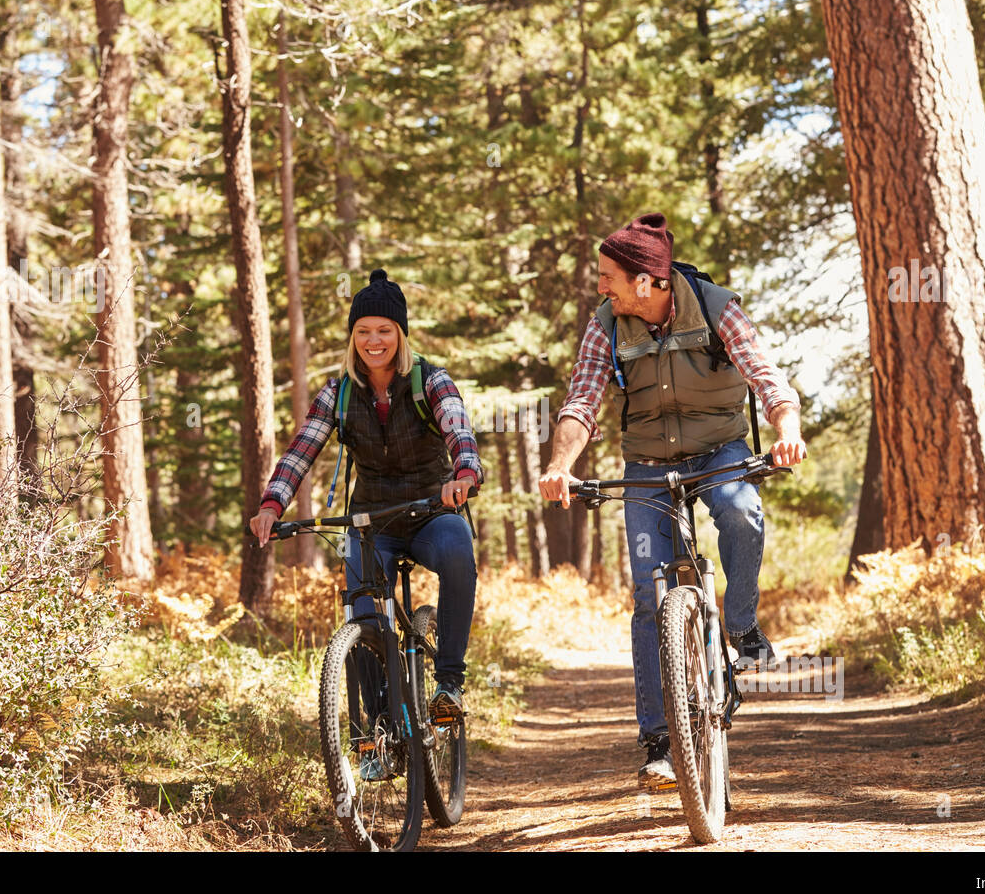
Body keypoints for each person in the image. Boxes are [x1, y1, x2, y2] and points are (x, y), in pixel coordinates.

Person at [538, 213, 807, 790]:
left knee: (740, 511)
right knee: (647, 593)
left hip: (720, 450)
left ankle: (741, 626)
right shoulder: (606, 325)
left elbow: (767, 379)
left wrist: (787, 430)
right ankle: (660, 740)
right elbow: (582, 400)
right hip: (648, 465)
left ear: (645, 281)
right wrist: (561, 466)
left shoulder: (715, 308)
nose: (601, 286)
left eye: (609, 275)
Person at [249, 269, 483, 738]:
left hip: (430, 515)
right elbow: (300, 453)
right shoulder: (336, 395)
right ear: (352, 338)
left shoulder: (429, 381)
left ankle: (449, 684)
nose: (373, 341)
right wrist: (273, 505)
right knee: (361, 611)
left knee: (459, 553)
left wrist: (464, 474)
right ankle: (376, 733)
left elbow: (459, 431)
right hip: (371, 521)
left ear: (400, 334)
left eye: (384, 331)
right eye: (363, 332)